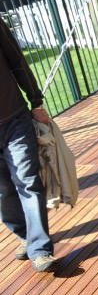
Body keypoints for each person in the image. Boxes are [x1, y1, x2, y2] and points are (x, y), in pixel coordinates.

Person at [0, 20, 56, 272]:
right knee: (3, 191)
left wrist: (35, 100)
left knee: (27, 180)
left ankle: (40, 249)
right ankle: (25, 234)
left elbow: (17, 60)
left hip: (14, 120)